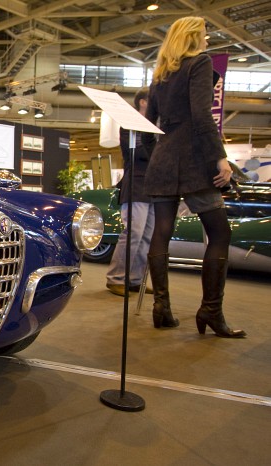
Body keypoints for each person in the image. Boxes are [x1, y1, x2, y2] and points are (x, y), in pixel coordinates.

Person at [141, 16, 245, 337]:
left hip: (163, 160)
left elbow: (148, 127)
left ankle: (162, 307)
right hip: (194, 163)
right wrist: (219, 157)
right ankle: (211, 311)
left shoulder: (161, 74)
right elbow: (203, 116)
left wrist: (157, 152)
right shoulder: (200, 63)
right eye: (205, 33)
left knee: (161, 232)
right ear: (192, 37)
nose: (208, 39)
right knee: (220, 233)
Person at [106, 87, 155, 297]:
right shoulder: (130, 126)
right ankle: (116, 278)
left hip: (154, 187)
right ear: (143, 102)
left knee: (146, 236)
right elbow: (140, 154)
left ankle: (134, 278)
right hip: (136, 185)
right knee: (133, 233)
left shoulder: (154, 126)